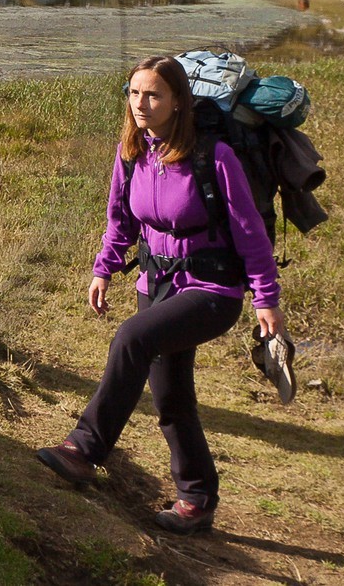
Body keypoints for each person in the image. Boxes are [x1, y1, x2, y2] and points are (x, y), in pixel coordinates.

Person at [35, 55, 284, 534]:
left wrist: (265, 298)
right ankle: (198, 498)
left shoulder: (215, 156)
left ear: (177, 102)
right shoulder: (131, 152)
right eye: (133, 94)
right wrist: (103, 269)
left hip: (211, 289)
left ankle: (85, 450)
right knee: (170, 397)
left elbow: (250, 231)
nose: (141, 104)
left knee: (132, 338)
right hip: (155, 284)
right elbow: (120, 222)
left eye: (153, 95)